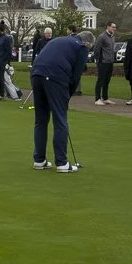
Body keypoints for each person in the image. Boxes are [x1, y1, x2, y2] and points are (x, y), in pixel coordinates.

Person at [30, 30, 88, 170]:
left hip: (36, 74)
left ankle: (39, 160)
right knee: (60, 118)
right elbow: (75, 77)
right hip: (54, 76)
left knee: (41, 119)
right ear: (87, 42)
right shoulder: (82, 47)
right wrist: (67, 96)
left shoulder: (59, 40)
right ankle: (62, 163)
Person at [91, 23, 117, 104]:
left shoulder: (112, 37)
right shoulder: (102, 37)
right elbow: (96, 49)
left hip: (110, 61)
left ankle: (105, 97)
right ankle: (97, 99)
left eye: (115, 27)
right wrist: (98, 60)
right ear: (108, 27)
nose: (114, 29)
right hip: (103, 62)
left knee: (107, 80)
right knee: (100, 80)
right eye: (113, 27)